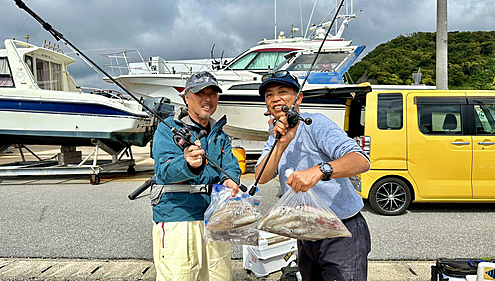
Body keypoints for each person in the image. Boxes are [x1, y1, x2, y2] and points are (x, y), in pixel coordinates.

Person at [255, 71, 371, 281]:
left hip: (341, 230)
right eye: (269, 95)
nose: (275, 98)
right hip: (306, 233)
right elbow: (261, 177)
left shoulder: (315, 123)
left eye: (283, 91)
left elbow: (360, 160)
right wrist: (280, 145)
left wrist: (319, 170)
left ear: (298, 97)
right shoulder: (275, 132)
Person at [151, 71, 241, 281]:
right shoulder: (167, 129)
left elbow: (230, 166)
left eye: (213, 93)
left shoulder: (220, 134)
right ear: (186, 97)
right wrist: (187, 164)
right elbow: (163, 171)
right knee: (180, 276)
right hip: (179, 217)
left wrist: (231, 180)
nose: (207, 99)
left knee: (219, 277)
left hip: (215, 218)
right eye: (201, 93)